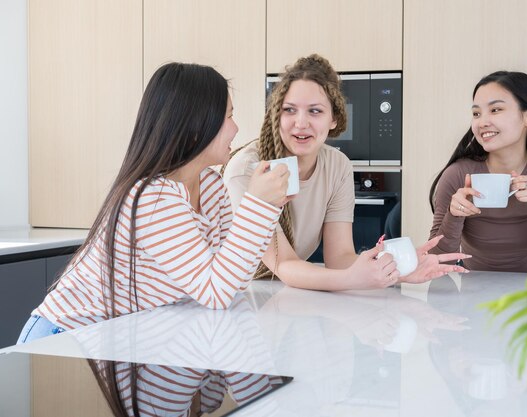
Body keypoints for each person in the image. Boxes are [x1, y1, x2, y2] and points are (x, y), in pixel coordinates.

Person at [17, 62, 291, 344]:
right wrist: (258, 205)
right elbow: (215, 292)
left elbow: (235, 281)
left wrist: (269, 207)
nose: (236, 128)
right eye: (228, 116)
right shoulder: (153, 197)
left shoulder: (211, 185)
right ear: (196, 126)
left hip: (119, 338)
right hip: (66, 336)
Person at [223, 54, 469, 291]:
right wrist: (354, 280)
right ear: (276, 115)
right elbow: (284, 264)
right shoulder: (248, 170)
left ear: (334, 119)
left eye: (315, 111)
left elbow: (340, 258)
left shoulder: (338, 165)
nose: (301, 122)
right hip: (240, 295)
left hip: (289, 292)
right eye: (289, 110)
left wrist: (398, 269)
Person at [428, 71, 527, 275]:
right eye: (476, 113)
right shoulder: (457, 175)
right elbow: (437, 265)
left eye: (496, 109)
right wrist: (454, 215)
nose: (482, 122)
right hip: (472, 290)